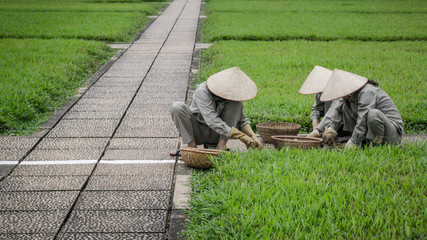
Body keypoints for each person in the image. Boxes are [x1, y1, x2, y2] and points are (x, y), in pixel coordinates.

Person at [170, 67, 263, 156]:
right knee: (177, 107)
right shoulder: (202, 91)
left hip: (218, 136)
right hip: (198, 131)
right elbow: (212, 120)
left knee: (236, 104)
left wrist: (252, 136)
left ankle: (220, 146)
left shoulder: (234, 98)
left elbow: (242, 121)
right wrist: (241, 136)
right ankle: (191, 146)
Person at [318, 69, 404, 148]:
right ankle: (361, 142)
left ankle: (376, 144)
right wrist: (331, 130)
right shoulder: (348, 96)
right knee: (345, 107)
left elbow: (363, 118)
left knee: (373, 114)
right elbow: (337, 111)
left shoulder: (367, 92)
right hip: (370, 131)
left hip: (392, 135)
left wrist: (353, 142)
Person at [300, 66, 349, 140]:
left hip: (344, 125)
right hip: (330, 124)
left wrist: (318, 130)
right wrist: (315, 119)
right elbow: (316, 108)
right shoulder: (320, 92)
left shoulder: (339, 91)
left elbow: (334, 111)